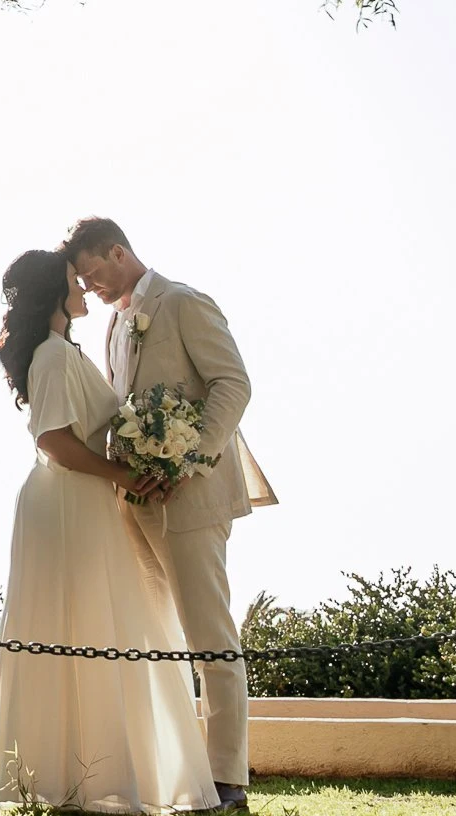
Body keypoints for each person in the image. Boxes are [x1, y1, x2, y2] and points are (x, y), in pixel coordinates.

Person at [0, 248, 218, 812]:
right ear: (52, 294)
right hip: (65, 500)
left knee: (93, 628)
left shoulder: (62, 350)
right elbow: (54, 441)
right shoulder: (54, 355)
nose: (82, 288)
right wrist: (125, 473)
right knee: (76, 626)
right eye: (71, 282)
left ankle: (93, 773)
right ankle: (69, 776)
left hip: (80, 500)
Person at [65, 217, 274, 811]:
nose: (90, 285)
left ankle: (227, 778)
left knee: (210, 633)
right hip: (135, 502)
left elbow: (232, 385)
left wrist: (190, 459)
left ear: (118, 250)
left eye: (94, 272)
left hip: (193, 495)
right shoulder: (111, 326)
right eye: (81, 279)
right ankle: (168, 767)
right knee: (151, 635)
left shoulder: (183, 302)